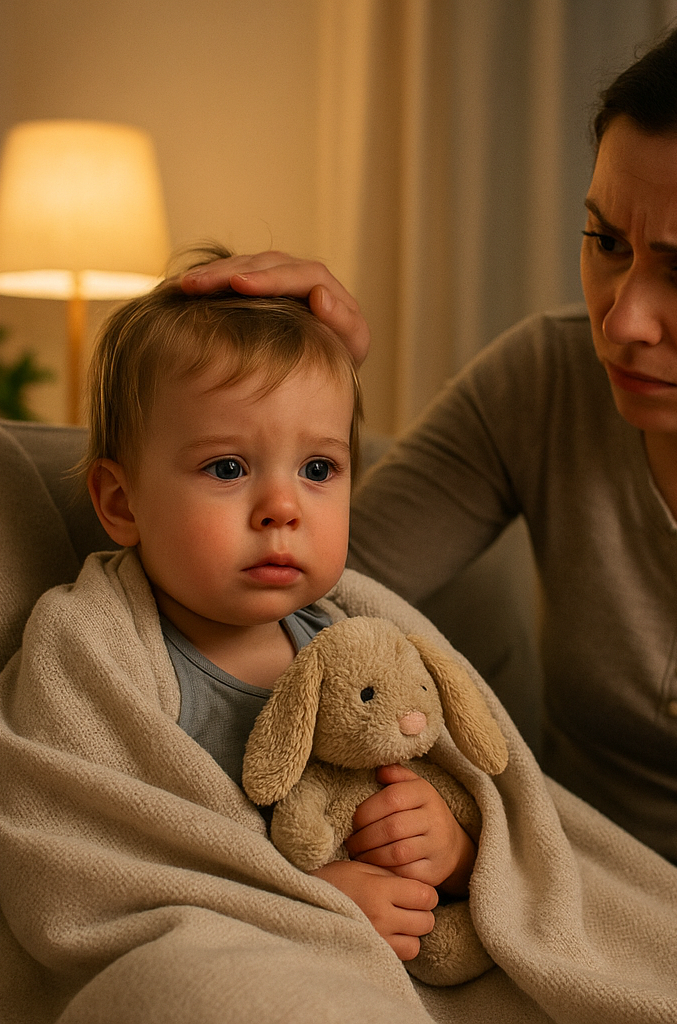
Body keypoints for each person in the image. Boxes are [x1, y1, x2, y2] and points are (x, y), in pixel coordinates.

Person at [183, 1, 677, 1020]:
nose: (623, 320)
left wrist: (668, 986)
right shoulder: (542, 383)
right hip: (574, 890)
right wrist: (300, 387)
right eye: (605, 241)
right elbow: (287, 594)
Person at [80, 267, 476, 960]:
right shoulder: (105, 658)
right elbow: (93, 860)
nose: (283, 508)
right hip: (222, 963)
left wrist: (453, 849)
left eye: (318, 470)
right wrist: (306, 902)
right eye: (228, 468)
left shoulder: (355, 644)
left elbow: (491, 808)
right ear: (121, 502)